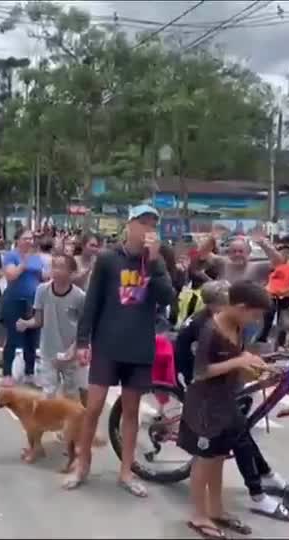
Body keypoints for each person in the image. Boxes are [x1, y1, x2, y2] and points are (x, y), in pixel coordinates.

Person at [68, 204, 176, 495]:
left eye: (153, 224)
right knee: (92, 409)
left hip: (139, 346)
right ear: (130, 225)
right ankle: (82, 464)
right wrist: (82, 342)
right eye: (143, 222)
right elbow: (92, 302)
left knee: (131, 413)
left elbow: (168, 298)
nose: (148, 229)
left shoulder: (156, 262)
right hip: (107, 343)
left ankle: (126, 471)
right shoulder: (107, 259)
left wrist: (154, 263)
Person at [176, 280, 289, 523]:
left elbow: (237, 359)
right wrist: (238, 362)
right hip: (205, 406)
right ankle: (198, 516)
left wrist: (256, 367)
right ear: (240, 307)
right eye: (254, 315)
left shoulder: (237, 327)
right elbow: (200, 372)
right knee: (204, 461)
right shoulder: (210, 330)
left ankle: (216, 510)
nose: (255, 321)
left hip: (226, 403)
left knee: (218, 458)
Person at [16, 253, 85, 401]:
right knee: (48, 393)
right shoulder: (42, 290)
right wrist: (26, 323)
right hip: (48, 351)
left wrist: (74, 349)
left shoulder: (79, 296)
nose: (57, 271)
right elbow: (38, 320)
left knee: (71, 394)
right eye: (54, 267)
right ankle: (49, 422)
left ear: (71, 273)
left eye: (62, 267)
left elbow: (84, 328)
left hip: (70, 353)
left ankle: (70, 422)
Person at [0, 228, 46, 387]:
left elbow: (43, 277)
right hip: (15, 301)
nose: (29, 241)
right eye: (25, 238)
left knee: (32, 339)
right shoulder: (11, 256)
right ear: (18, 240)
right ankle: (7, 373)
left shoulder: (37, 258)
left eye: (31, 238)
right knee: (13, 337)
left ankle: (29, 372)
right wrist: (23, 264)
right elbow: (11, 275)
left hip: (33, 302)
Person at [262, 245, 289, 346]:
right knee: (267, 318)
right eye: (282, 253)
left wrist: (286, 291)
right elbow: (265, 279)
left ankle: (280, 343)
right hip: (271, 296)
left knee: (283, 321)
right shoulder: (273, 265)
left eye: (287, 253)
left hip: (285, 297)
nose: (284, 255)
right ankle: (263, 339)